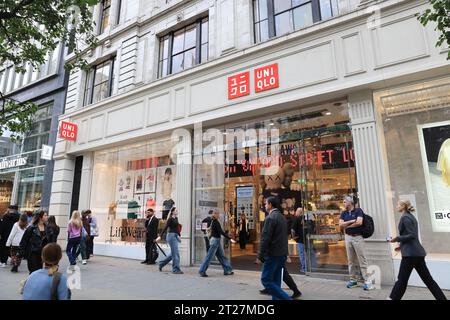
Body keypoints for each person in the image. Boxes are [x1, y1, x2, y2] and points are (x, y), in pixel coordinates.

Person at [388, 200, 447, 300]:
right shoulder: (410, 216)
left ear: (403, 206)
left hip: (410, 255)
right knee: (428, 280)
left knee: (402, 280)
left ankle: (392, 298)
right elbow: (411, 236)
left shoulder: (405, 217)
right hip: (416, 253)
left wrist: (397, 239)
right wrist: (401, 246)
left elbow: (412, 235)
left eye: (398, 204)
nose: (396, 206)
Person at [256, 196, 291, 300]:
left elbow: (265, 238)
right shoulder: (282, 217)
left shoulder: (270, 218)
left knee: (266, 279)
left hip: (273, 254)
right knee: (276, 280)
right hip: (282, 253)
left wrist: (260, 255)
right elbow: (284, 237)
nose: (265, 205)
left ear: (270, 205)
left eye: (266, 203)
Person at [339, 196, 374, 290]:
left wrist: (347, 226)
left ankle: (368, 281)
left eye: (344, 202)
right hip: (348, 238)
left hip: (357, 237)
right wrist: (351, 221)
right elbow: (340, 224)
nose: (343, 203)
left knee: (362, 259)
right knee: (350, 261)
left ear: (350, 202)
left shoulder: (358, 211)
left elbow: (359, 222)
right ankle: (353, 280)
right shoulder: (343, 213)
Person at [199, 210, 236, 277]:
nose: (219, 215)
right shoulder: (215, 222)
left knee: (221, 256)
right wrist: (229, 238)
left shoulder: (207, 220)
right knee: (209, 257)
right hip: (215, 241)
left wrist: (206, 233)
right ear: (214, 214)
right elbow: (221, 232)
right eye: (218, 214)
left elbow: (202, 229)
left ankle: (227, 270)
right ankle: (202, 271)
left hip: (213, 240)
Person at [156, 207, 183, 274]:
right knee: (176, 254)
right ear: (172, 212)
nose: (177, 211)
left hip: (175, 236)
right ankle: (175, 269)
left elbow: (177, 228)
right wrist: (160, 236)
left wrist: (179, 236)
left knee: (173, 254)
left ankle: (161, 264)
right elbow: (165, 227)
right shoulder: (170, 219)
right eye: (176, 210)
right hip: (171, 236)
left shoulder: (176, 218)